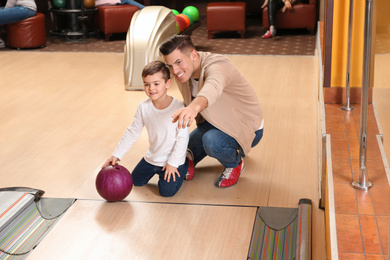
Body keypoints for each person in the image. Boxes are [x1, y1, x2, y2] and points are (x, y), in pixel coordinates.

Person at [159, 35, 264, 188]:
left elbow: (212, 87)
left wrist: (193, 108)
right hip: (214, 122)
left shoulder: (218, 65)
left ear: (193, 55)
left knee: (212, 142)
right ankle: (190, 156)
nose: (174, 71)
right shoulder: (184, 72)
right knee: (180, 150)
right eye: (170, 66)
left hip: (245, 127)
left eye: (178, 62)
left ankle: (235, 163)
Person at [102, 60, 189, 197]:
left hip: (171, 161)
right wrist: (117, 154)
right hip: (152, 159)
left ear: (167, 84)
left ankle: (185, 165)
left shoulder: (179, 108)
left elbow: (182, 138)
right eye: (146, 84)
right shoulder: (144, 107)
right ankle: (159, 169)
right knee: (135, 181)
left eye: (156, 84)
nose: (151, 89)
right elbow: (132, 132)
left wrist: (173, 163)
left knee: (166, 192)